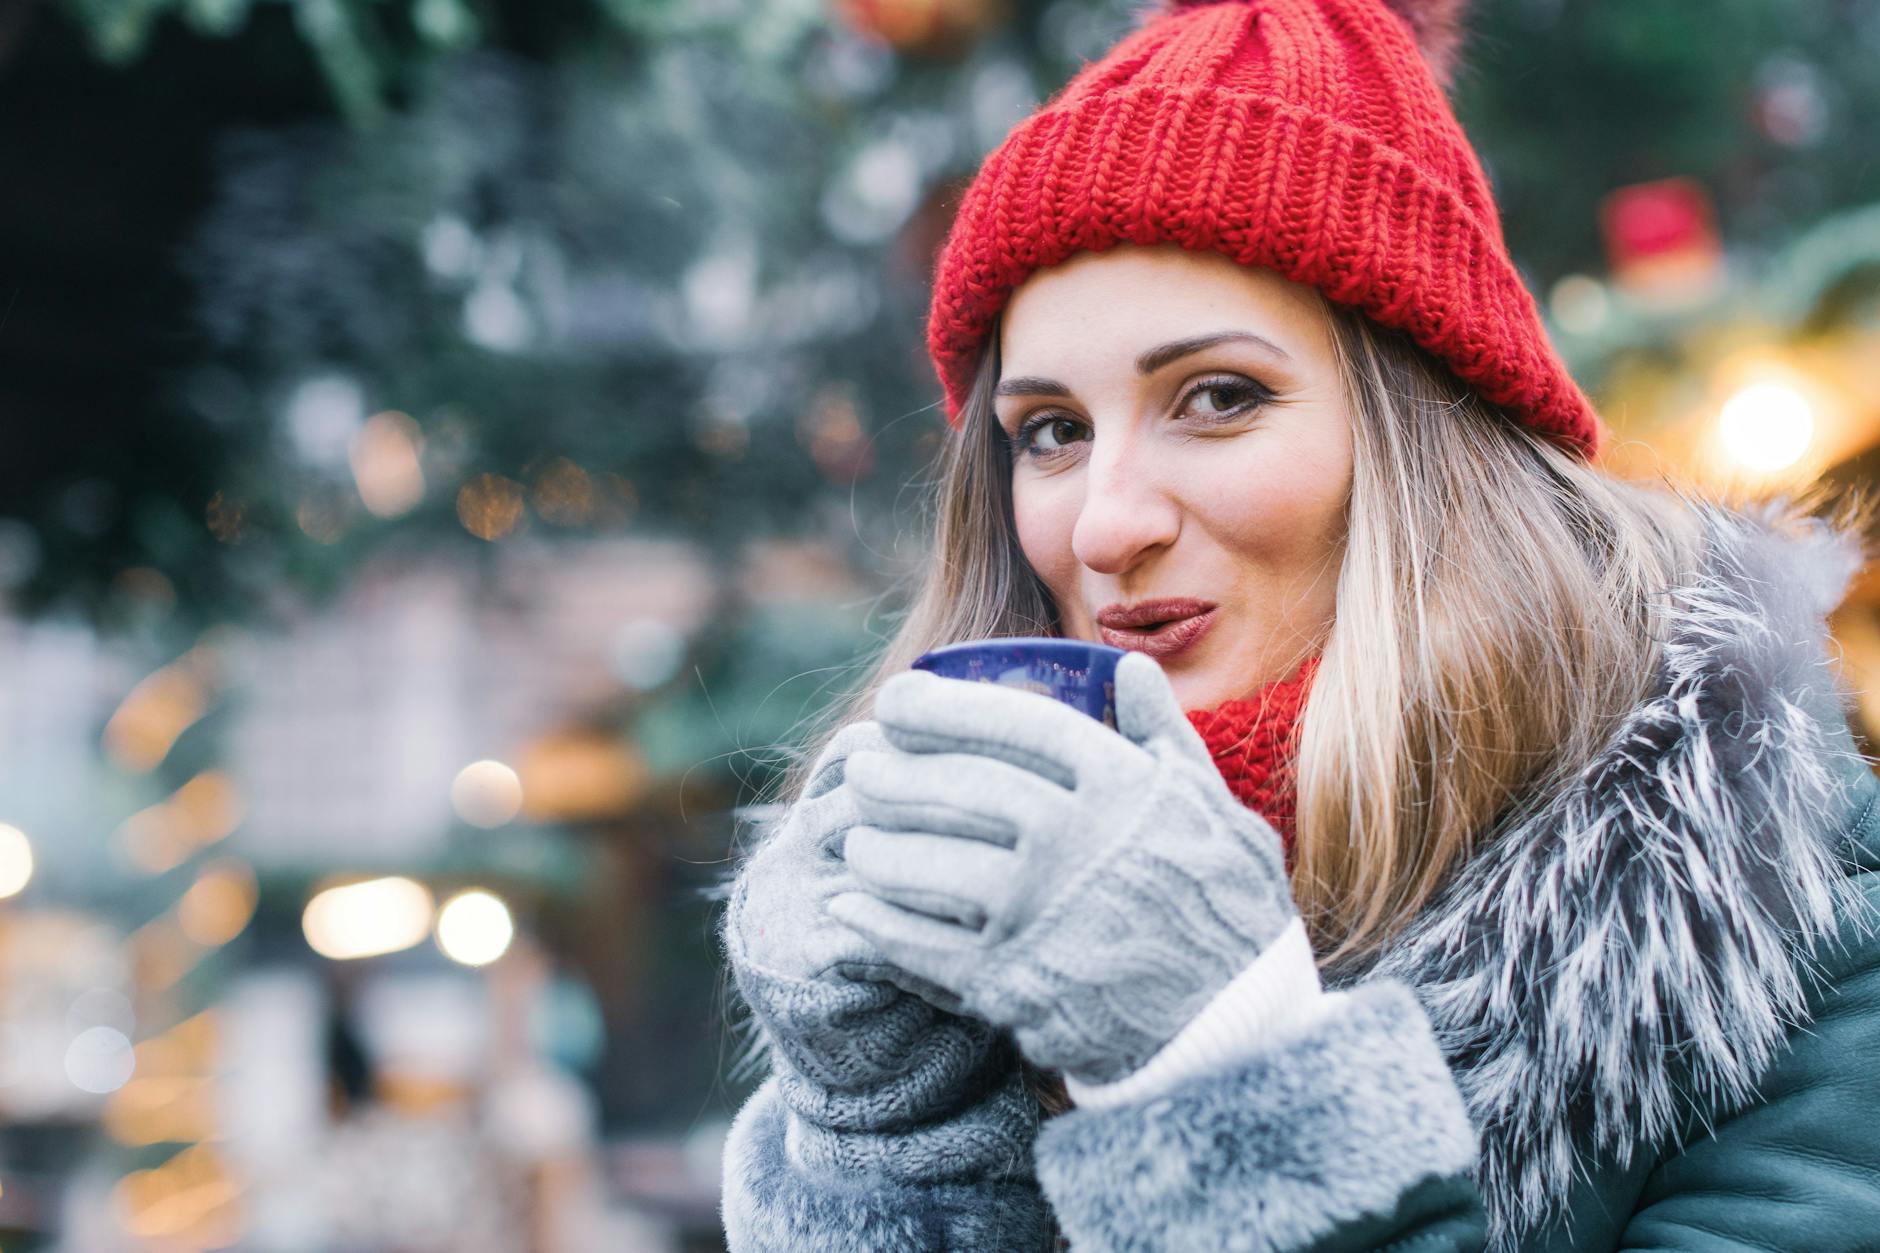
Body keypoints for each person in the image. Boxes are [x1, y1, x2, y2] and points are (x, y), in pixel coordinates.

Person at [717, 0, 1880, 1248]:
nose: (1104, 524)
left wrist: (1219, 1063)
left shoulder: (1795, 907)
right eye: (1050, 430)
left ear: (1424, 443)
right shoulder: (966, 923)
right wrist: (888, 1135)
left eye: (1215, 397)